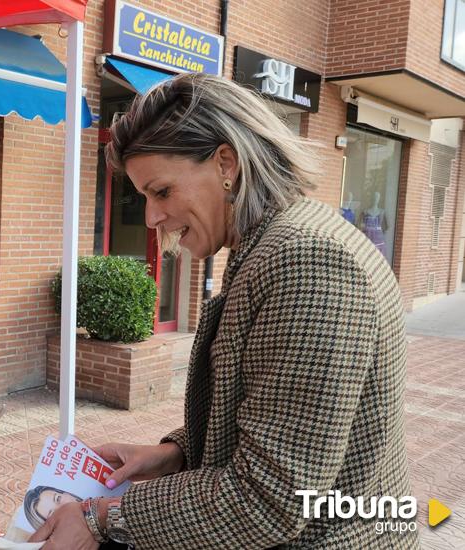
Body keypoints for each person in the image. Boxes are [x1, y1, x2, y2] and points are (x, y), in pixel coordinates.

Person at [30, 73, 417, 549]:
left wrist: (100, 517)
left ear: (226, 163)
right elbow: (274, 415)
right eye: (145, 197)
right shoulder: (280, 242)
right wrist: (174, 452)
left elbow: (269, 498)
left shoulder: (308, 263)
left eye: (162, 192)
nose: (151, 217)